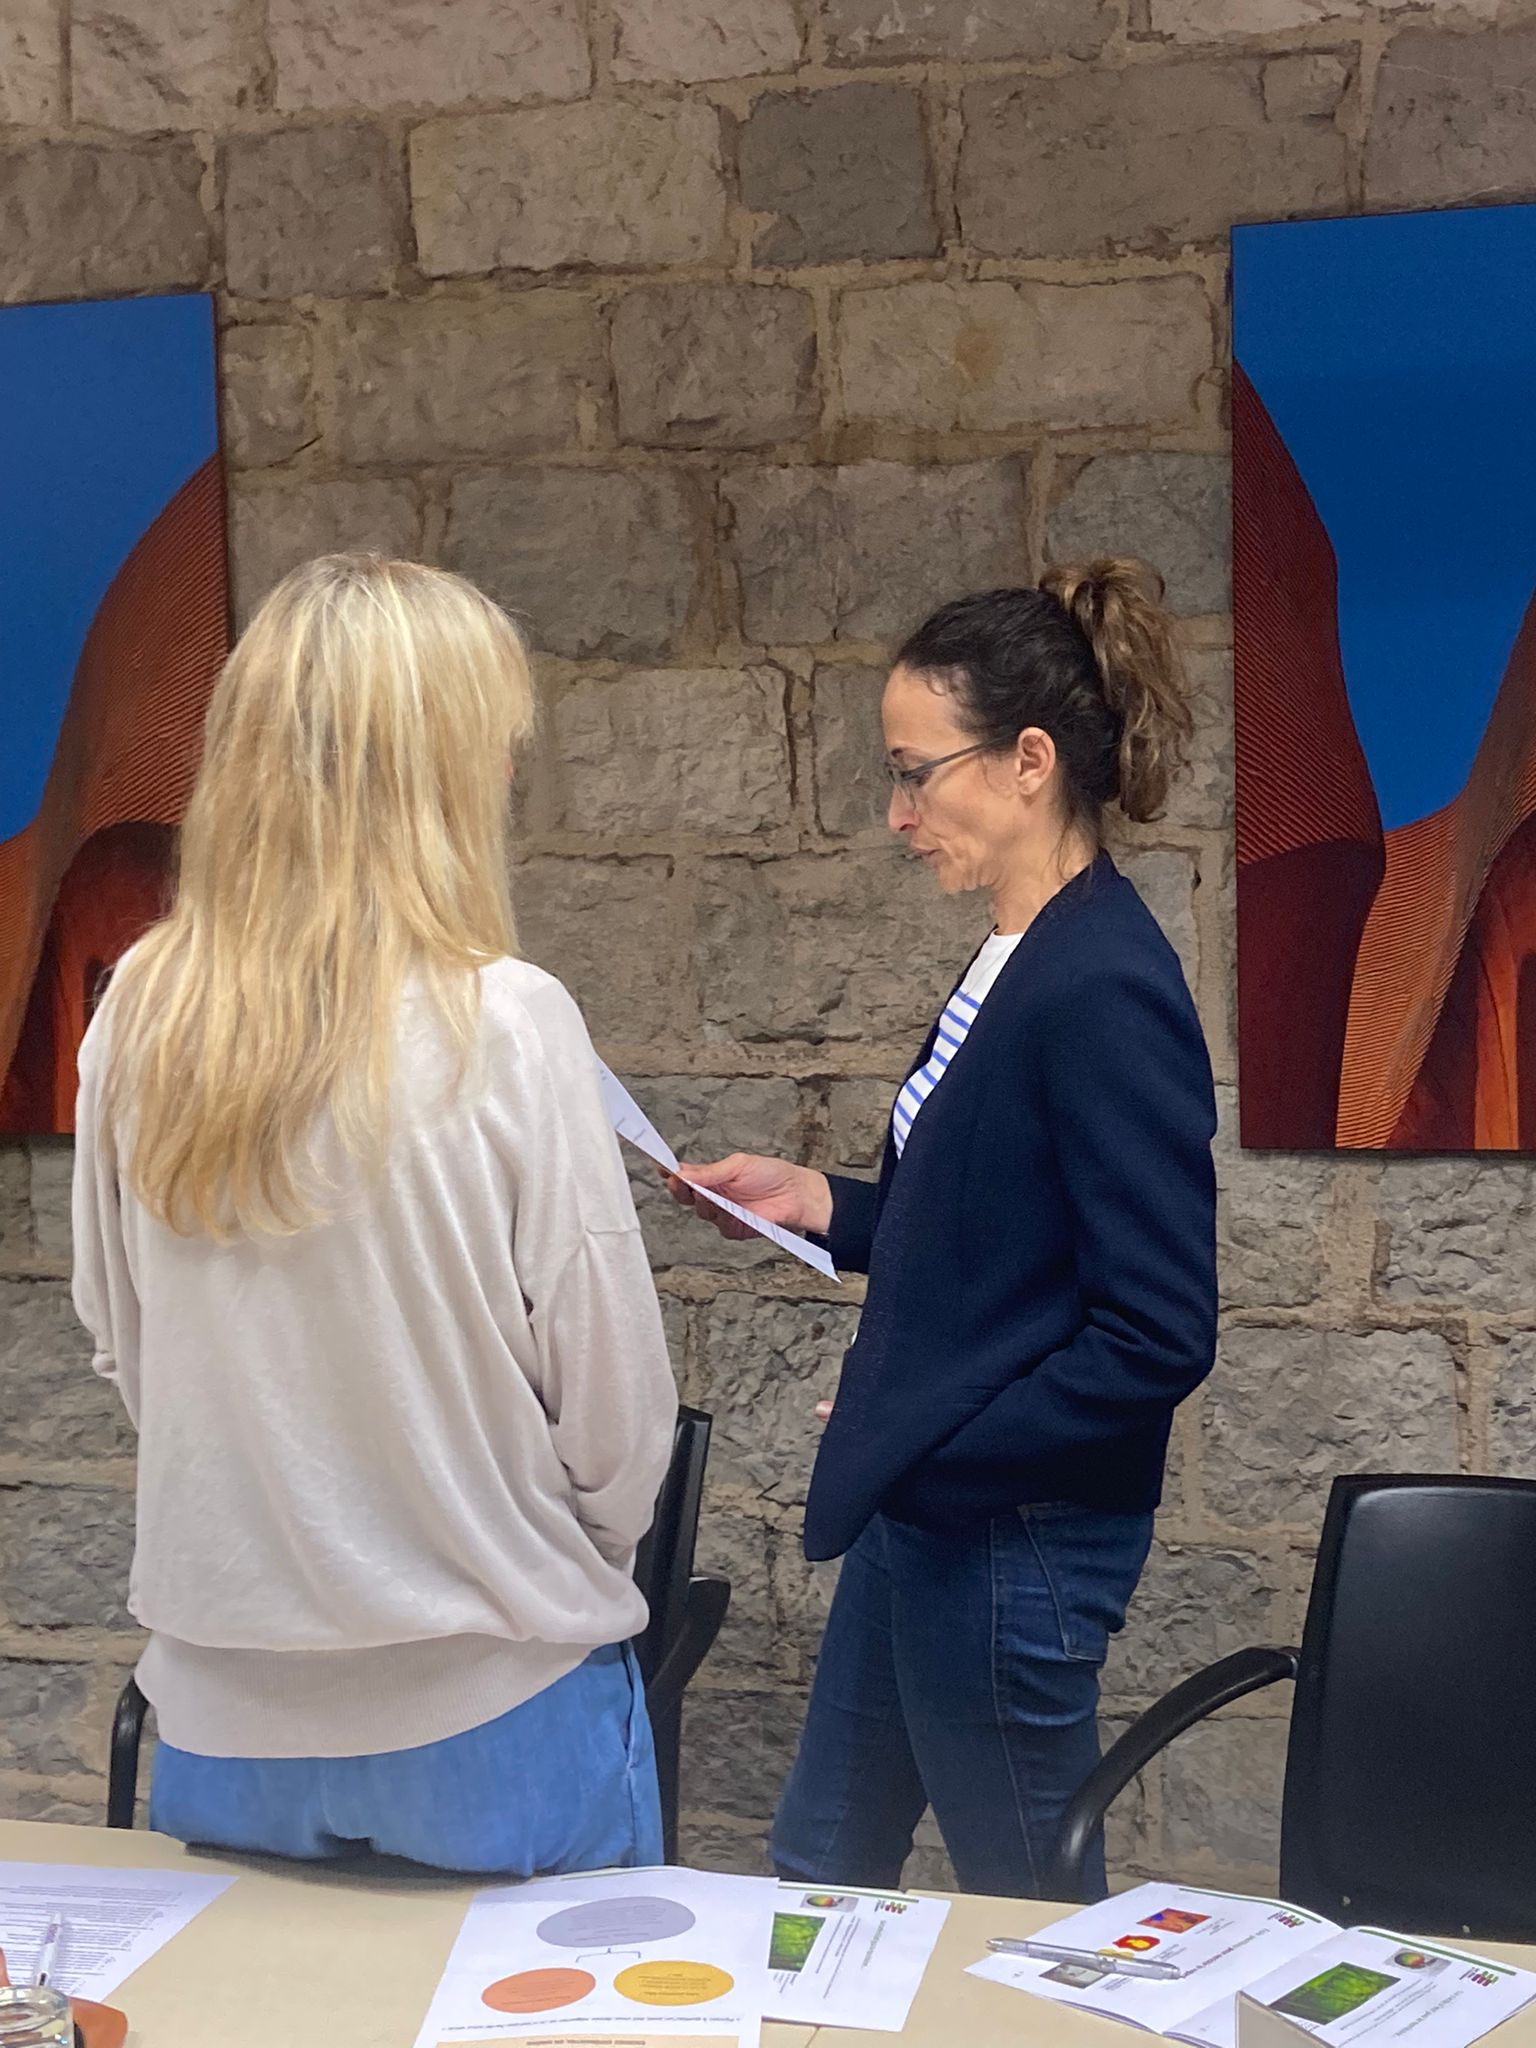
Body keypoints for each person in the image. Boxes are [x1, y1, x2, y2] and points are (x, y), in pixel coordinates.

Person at [71, 555, 678, 1875]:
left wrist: (285, 1518)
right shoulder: (507, 1020)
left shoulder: (136, 1014)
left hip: (227, 1707)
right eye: (492, 741)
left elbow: (123, 1341)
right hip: (493, 1694)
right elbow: (619, 1414)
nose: (508, 772)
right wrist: (518, 1555)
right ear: (429, 769)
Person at [669, 563, 1217, 1899]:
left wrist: (929, 1436)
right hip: (925, 1518)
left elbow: (1156, 1332)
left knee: (1029, 1918)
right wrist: (819, 1203)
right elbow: (993, 1235)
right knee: (818, 1867)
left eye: (918, 774)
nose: (897, 813)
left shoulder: (1102, 984)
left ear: (1029, 761)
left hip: (1012, 1542)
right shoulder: (1016, 954)